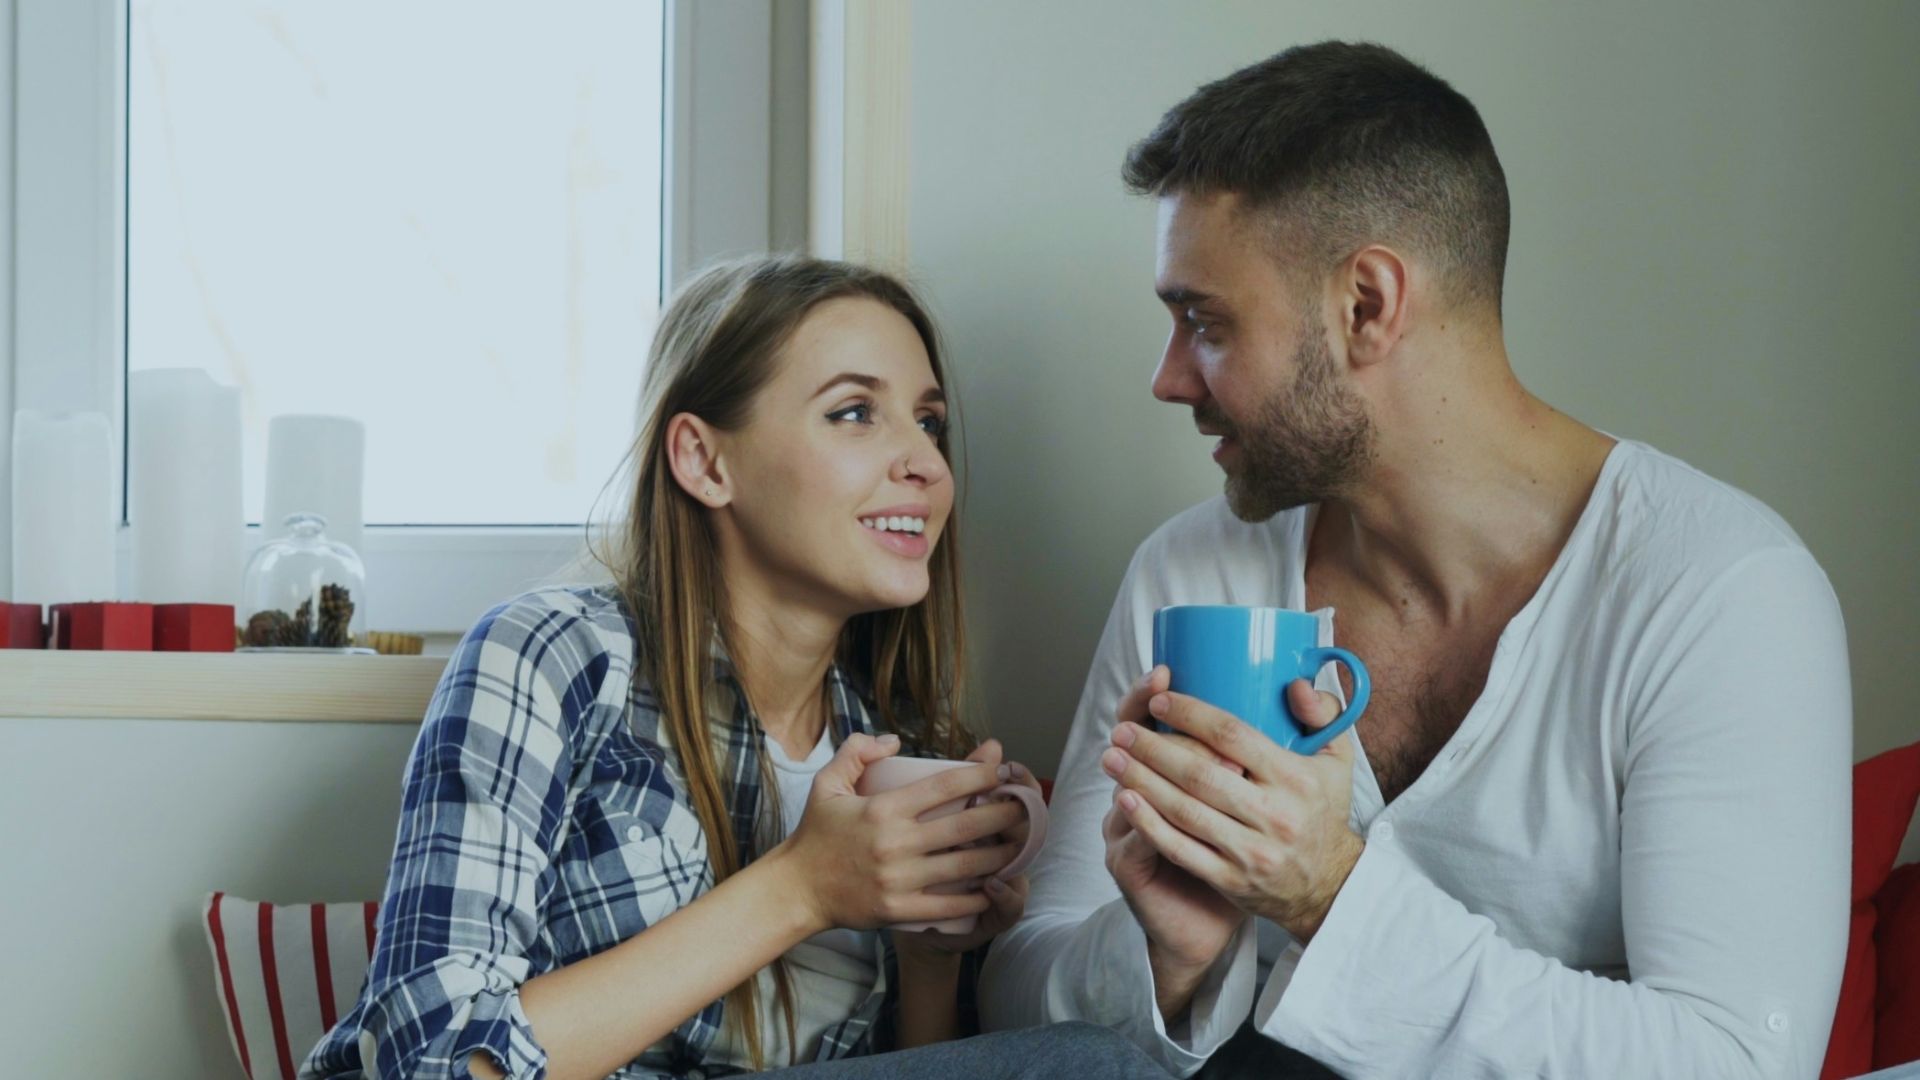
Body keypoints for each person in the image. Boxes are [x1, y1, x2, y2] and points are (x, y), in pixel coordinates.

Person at [980, 41, 1849, 1079]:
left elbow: (1738, 1064)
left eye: (1204, 322)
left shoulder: (1719, 593)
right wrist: (1160, 956)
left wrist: (1328, 896)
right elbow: (1018, 997)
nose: (1169, 379)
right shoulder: (1196, 577)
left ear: (1367, 305)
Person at [304, 255, 1171, 1080]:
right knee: (1093, 1067)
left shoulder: (895, 739)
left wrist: (931, 958)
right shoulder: (553, 656)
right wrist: (801, 888)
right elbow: (431, 1061)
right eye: (854, 413)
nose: (926, 463)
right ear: (703, 460)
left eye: (929, 421)